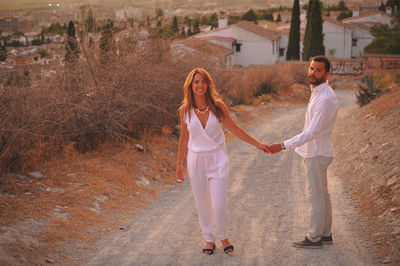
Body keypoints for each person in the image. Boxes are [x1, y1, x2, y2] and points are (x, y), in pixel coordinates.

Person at [176, 67, 268, 255]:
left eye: (203, 81)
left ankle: (223, 236)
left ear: (208, 84)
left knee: (218, 203)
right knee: (202, 202)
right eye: (196, 82)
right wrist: (178, 164)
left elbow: (235, 129)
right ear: (190, 86)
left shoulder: (218, 107)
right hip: (196, 161)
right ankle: (209, 238)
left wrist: (258, 144)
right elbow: (184, 138)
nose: (200, 85)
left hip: (217, 159)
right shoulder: (185, 110)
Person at [267, 55, 339, 249]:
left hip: (317, 154)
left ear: (326, 73)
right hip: (319, 152)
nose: (313, 73)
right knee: (323, 194)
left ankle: (314, 238)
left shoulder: (325, 98)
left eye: (318, 70)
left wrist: (283, 145)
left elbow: (311, 133)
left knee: (317, 196)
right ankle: (325, 234)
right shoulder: (318, 91)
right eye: (311, 68)